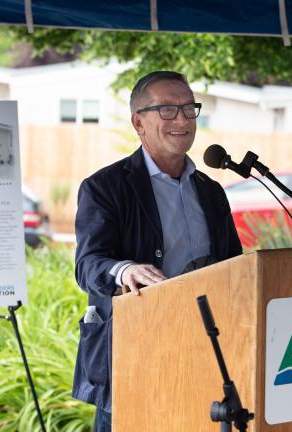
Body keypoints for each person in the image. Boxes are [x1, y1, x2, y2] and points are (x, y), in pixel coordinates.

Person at [72, 70, 242, 431]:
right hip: (136, 351)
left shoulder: (211, 192)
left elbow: (235, 267)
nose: (182, 119)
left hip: (202, 350)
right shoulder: (106, 187)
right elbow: (87, 265)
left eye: (188, 109)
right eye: (167, 109)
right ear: (139, 122)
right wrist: (125, 270)